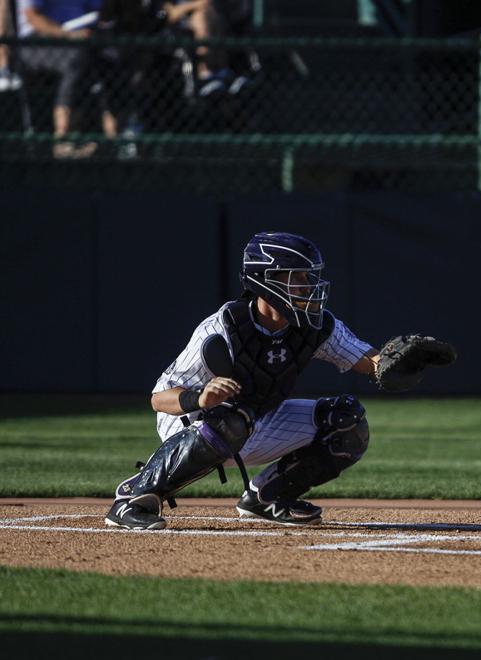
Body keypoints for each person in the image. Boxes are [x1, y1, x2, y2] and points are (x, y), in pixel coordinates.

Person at [104, 231, 456, 530]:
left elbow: (369, 361)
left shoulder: (316, 325)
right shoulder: (222, 328)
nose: (309, 287)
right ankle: (135, 497)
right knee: (232, 418)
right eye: (298, 278)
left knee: (348, 421)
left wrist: (393, 363)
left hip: (254, 418)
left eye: (309, 278)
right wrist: (199, 397)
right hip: (192, 422)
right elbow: (159, 398)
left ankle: (267, 497)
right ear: (266, 280)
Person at [17, 0, 117, 158]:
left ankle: (114, 139)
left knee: (111, 58)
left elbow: (102, 15)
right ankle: (62, 138)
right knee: (75, 59)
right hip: (38, 43)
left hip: (82, 43)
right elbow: (33, 18)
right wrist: (68, 35)